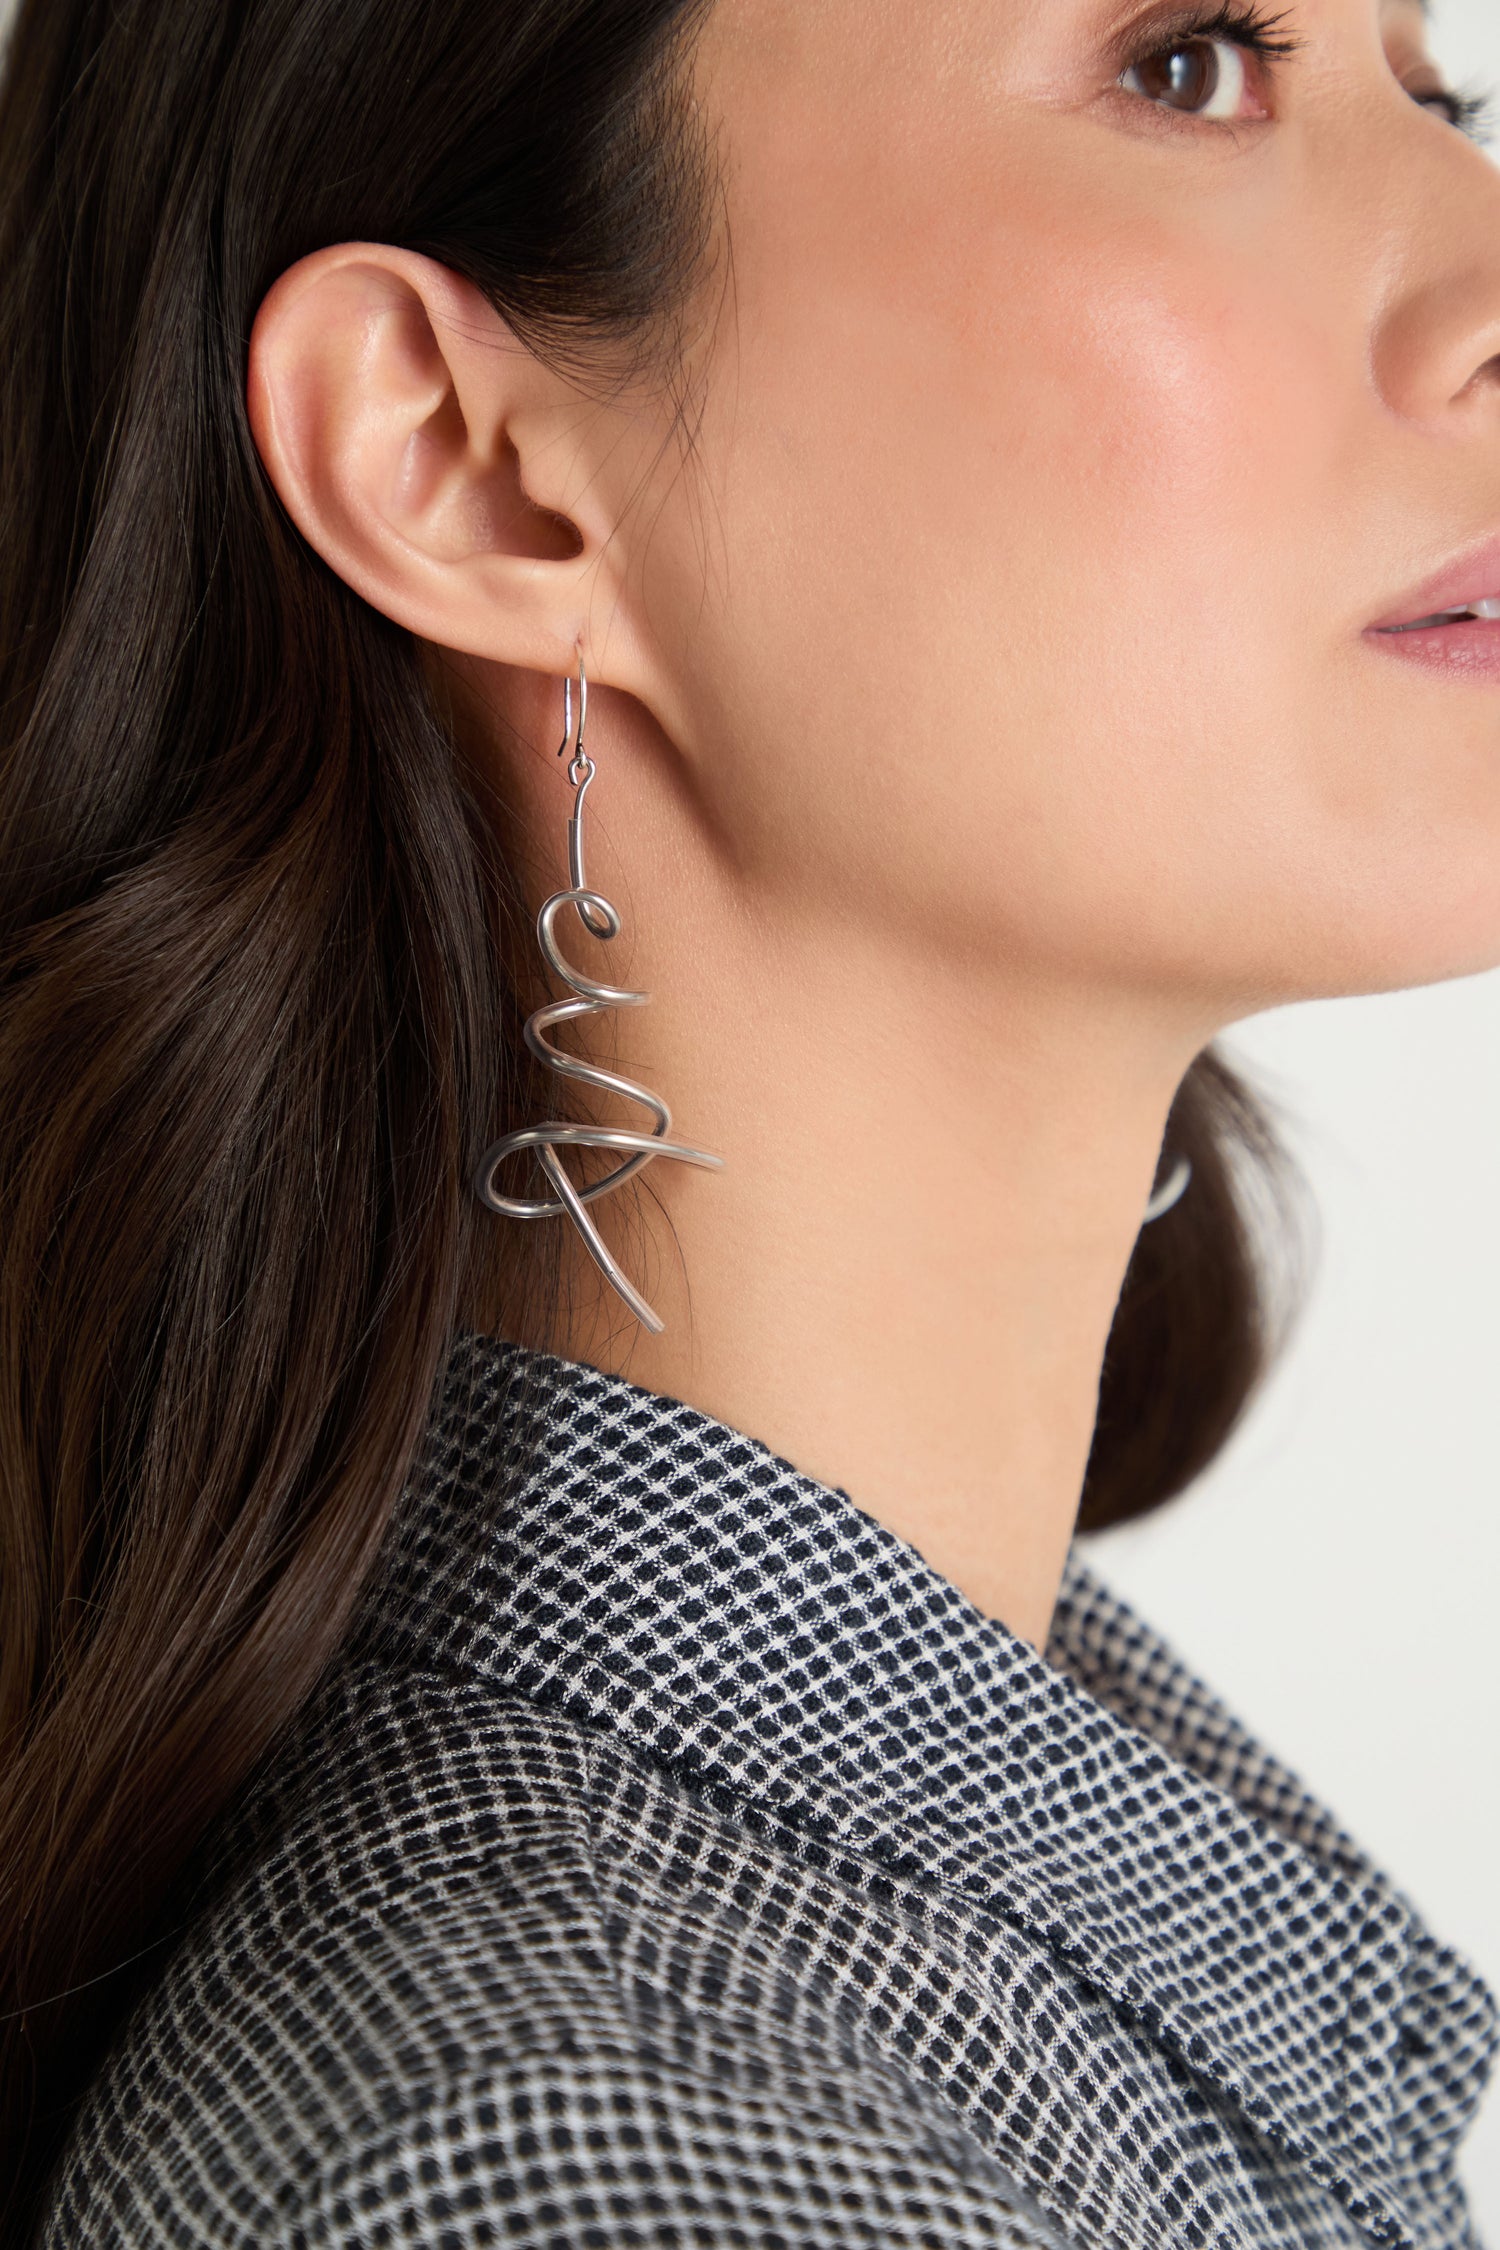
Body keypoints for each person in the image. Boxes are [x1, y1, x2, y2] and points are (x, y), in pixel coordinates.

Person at [2, 0, 1498, 2240]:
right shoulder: (611, 2167)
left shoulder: (832, 1991)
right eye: (1189, 64)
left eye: (1436, 86)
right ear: (463, 457)